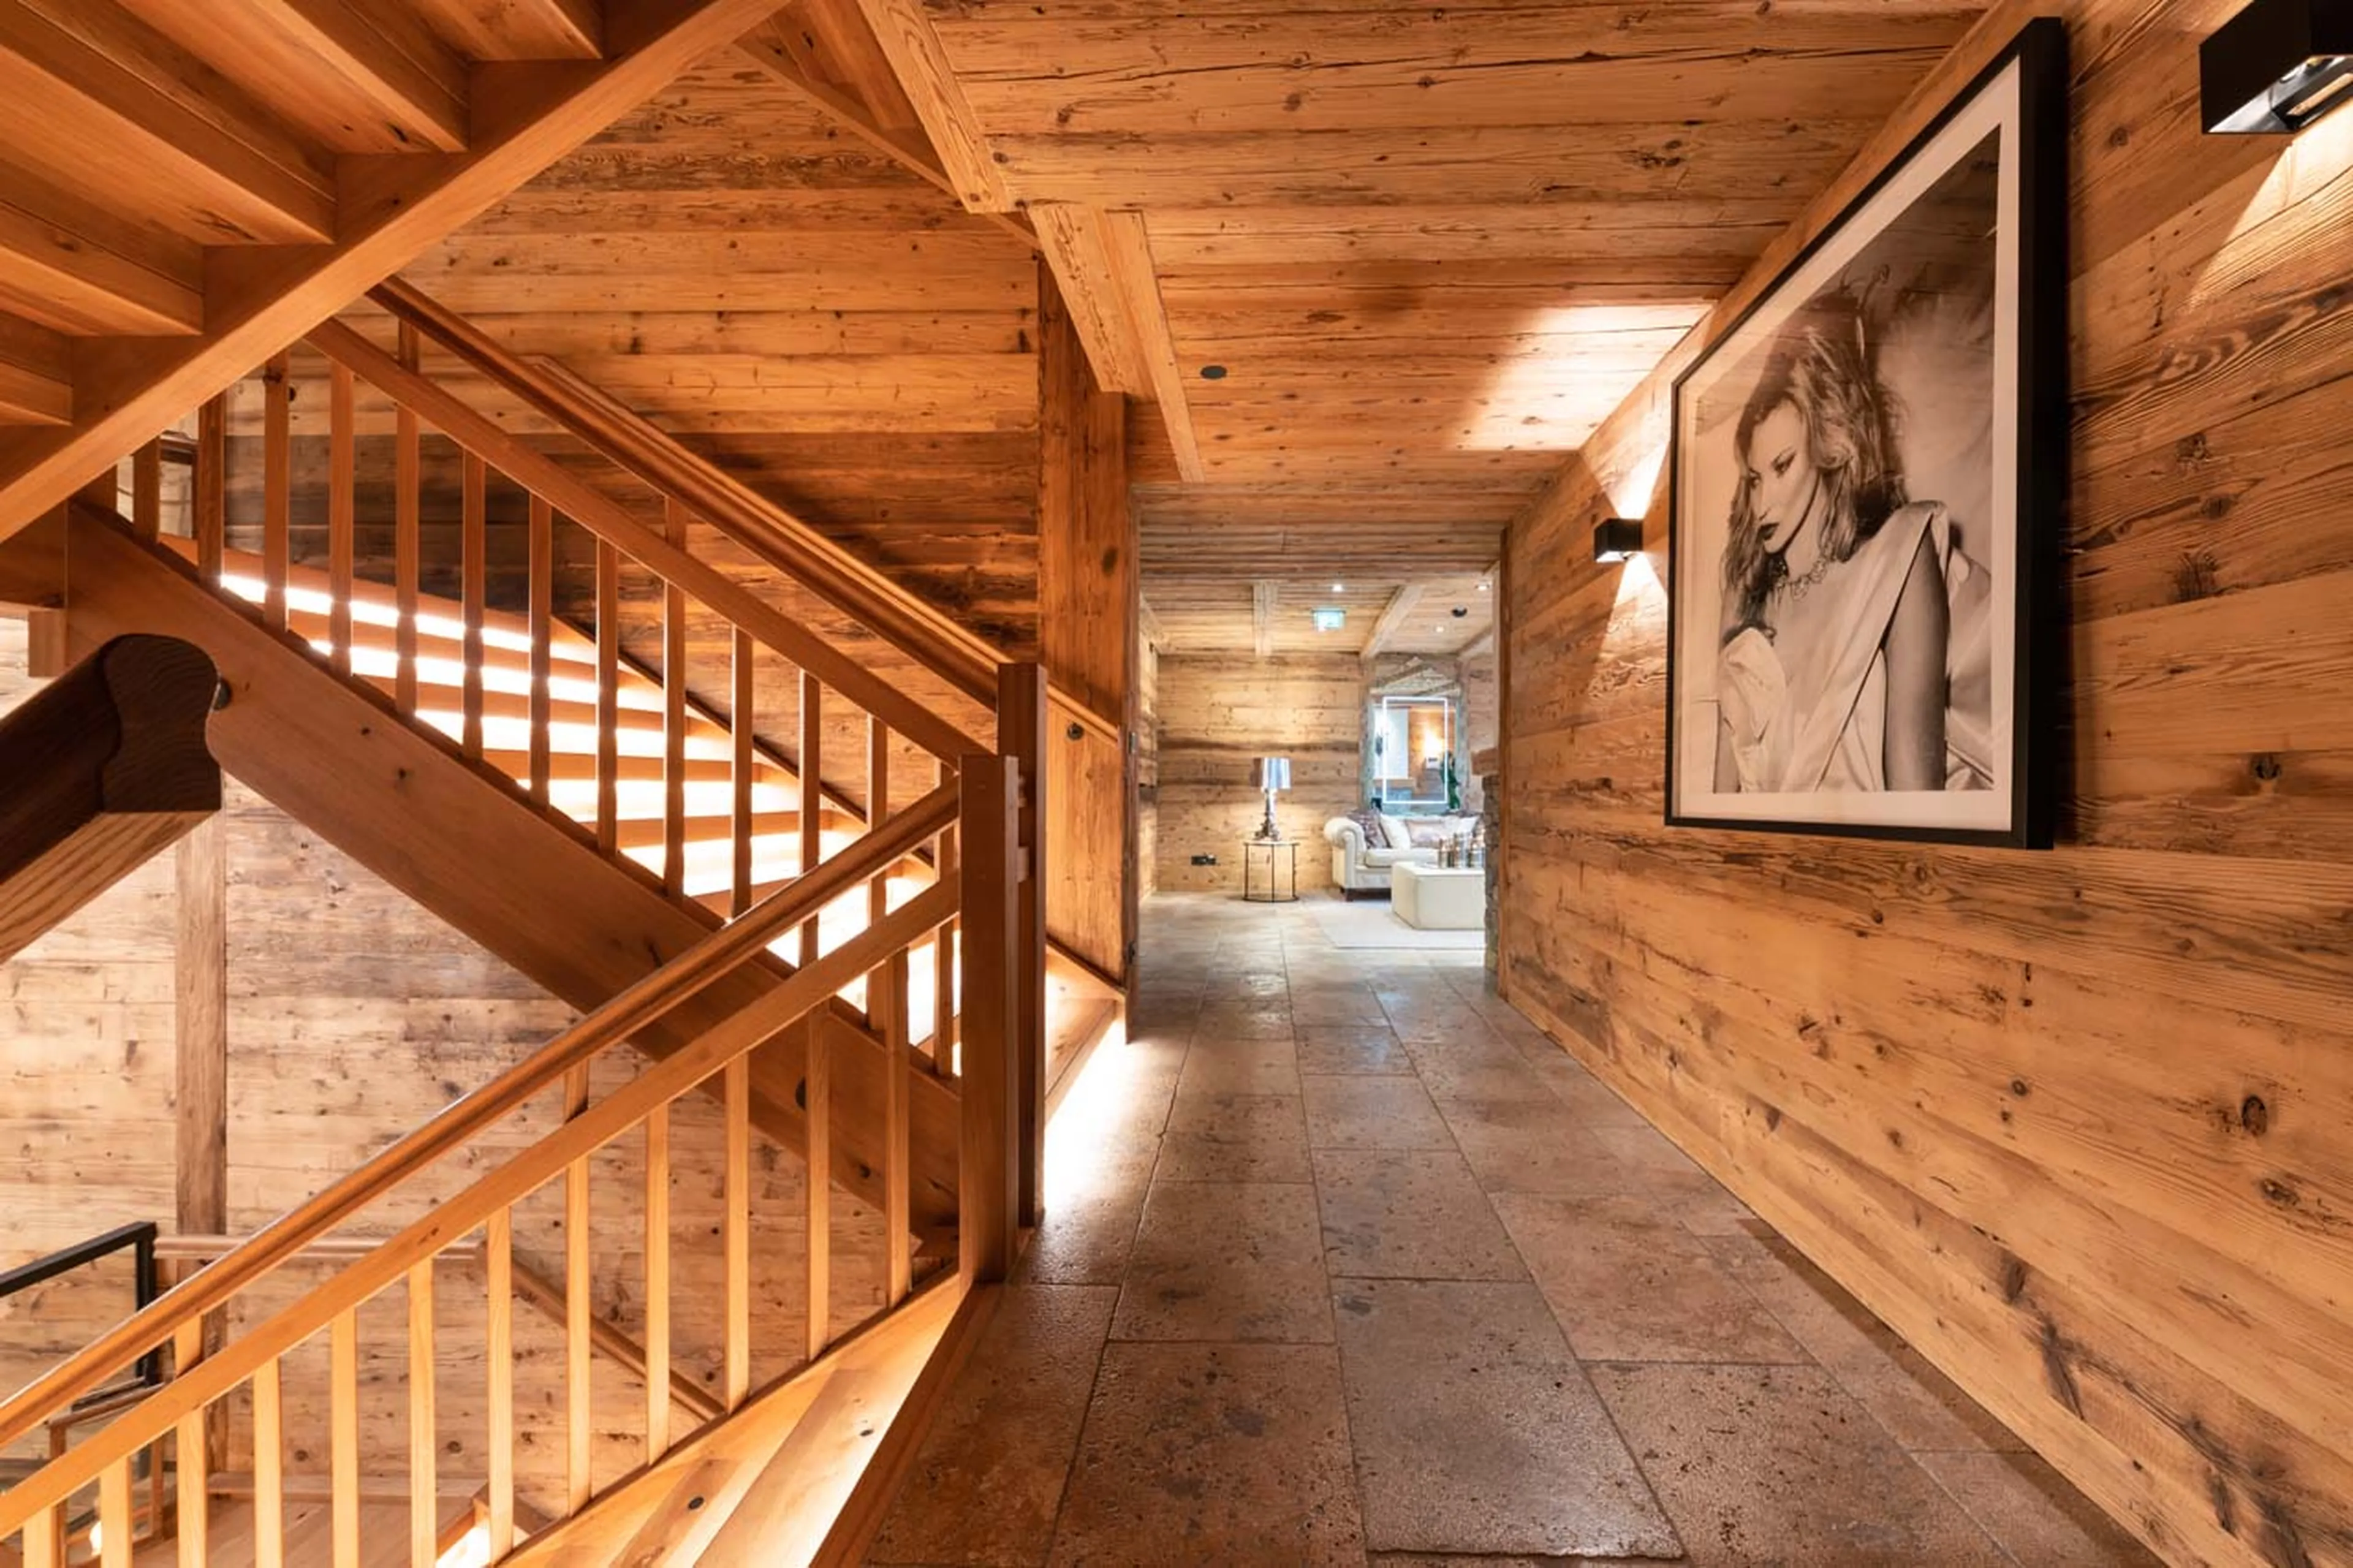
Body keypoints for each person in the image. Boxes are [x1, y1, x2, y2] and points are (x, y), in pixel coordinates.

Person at [1711, 288, 1993, 796]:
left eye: (1782, 467)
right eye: (1755, 479)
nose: (1763, 502)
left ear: (1829, 450)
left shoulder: (1900, 559)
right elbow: (1720, 792)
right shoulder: (1743, 592)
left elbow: (1915, 795)